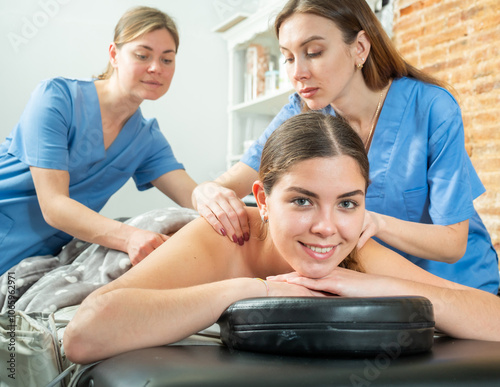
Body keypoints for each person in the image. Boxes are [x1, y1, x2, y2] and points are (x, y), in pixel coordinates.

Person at [64, 112, 500, 365]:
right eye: (303, 201)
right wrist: (253, 291)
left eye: (348, 203)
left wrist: (382, 287)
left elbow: (492, 318)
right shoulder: (221, 238)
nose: (327, 227)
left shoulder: (356, 252)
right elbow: (83, 333)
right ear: (264, 200)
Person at [191, 0, 499, 293]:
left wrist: (374, 222)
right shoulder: (302, 109)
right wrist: (206, 191)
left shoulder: (431, 108)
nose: (297, 72)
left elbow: (452, 243)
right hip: (380, 290)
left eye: (313, 52)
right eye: (288, 57)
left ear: (360, 48)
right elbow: (231, 183)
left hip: (458, 288)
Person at [0, 6, 197, 275]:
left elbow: (194, 197)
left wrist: (227, 203)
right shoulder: (56, 99)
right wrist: (130, 237)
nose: (155, 68)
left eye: (167, 59)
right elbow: (54, 206)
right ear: (114, 55)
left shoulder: (146, 139)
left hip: (25, 268)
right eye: (143, 55)